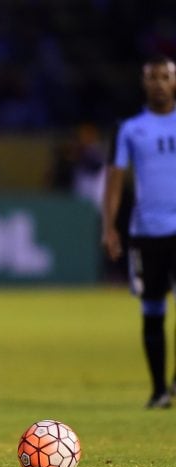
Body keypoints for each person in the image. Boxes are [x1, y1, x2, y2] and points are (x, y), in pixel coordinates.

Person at [102, 54, 176, 410]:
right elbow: (115, 181)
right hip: (146, 234)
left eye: (165, 76)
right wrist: (110, 226)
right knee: (152, 310)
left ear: (174, 82)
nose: (159, 83)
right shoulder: (131, 129)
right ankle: (159, 389)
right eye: (153, 77)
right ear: (144, 83)